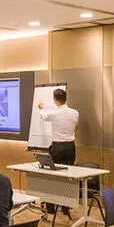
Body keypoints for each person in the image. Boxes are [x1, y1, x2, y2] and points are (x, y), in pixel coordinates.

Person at [37, 88, 79, 217]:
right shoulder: (75, 113)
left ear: (55, 101)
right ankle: (66, 207)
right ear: (66, 99)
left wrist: (41, 108)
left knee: (52, 177)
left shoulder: (54, 113)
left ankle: (50, 207)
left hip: (57, 147)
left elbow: (44, 116)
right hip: (71, 147)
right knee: (68, 177)